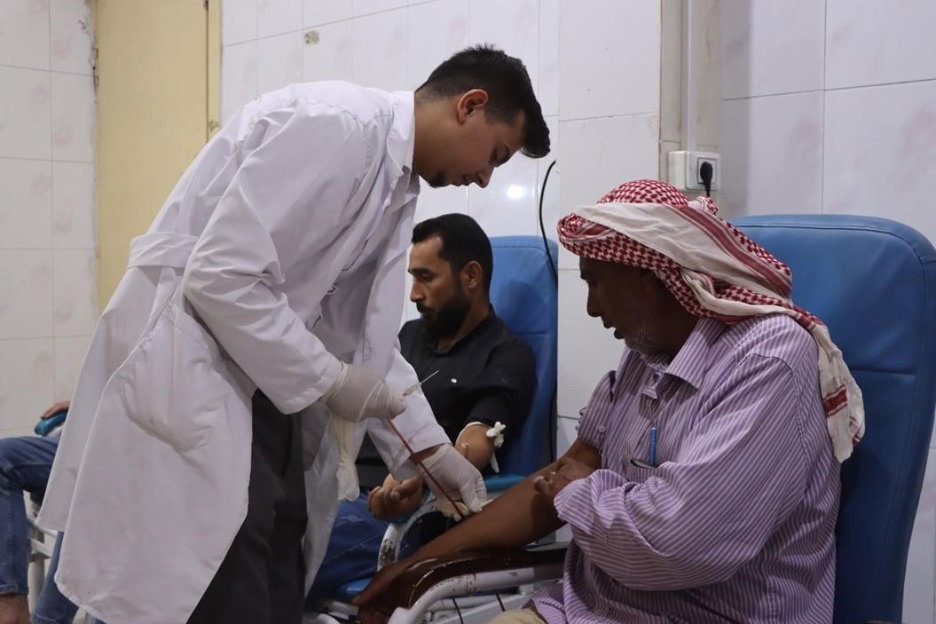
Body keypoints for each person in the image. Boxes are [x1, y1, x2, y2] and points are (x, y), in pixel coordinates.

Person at [38, 45, 550, 624]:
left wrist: (432, 452)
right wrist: (330, 379)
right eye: (495, 155)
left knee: (278, 557)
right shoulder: (338, 128)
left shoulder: (392, 182)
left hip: (260, 386)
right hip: (206, 372)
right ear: (471, 106)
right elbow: (220, 276)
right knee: (226, 581)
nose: (483, 178)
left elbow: (363, 341)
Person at [354, 179, 864, 624]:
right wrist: (415, 566)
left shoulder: (767, 360)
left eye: (597, 285)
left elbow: (677, 543)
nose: (593, 309)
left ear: (653, 278)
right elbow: (556, 478)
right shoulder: (645, 356)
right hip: (582, 610)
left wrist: (579, 492)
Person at [306, 213, 536, 601]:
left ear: (472, 276)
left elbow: (478, 440)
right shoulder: (406, 338)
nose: (413, 294)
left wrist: (423, 474)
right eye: (411, 276)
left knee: (271, 557)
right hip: (339, 487)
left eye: (426, 277)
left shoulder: (504, 354)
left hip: (405, 520)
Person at [0, 401, 78, 624]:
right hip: (86, 438)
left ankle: (47, 620)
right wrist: (83, 401)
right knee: (3, 458)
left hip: (131, 448)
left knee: (86, 493)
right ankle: (11, 607)